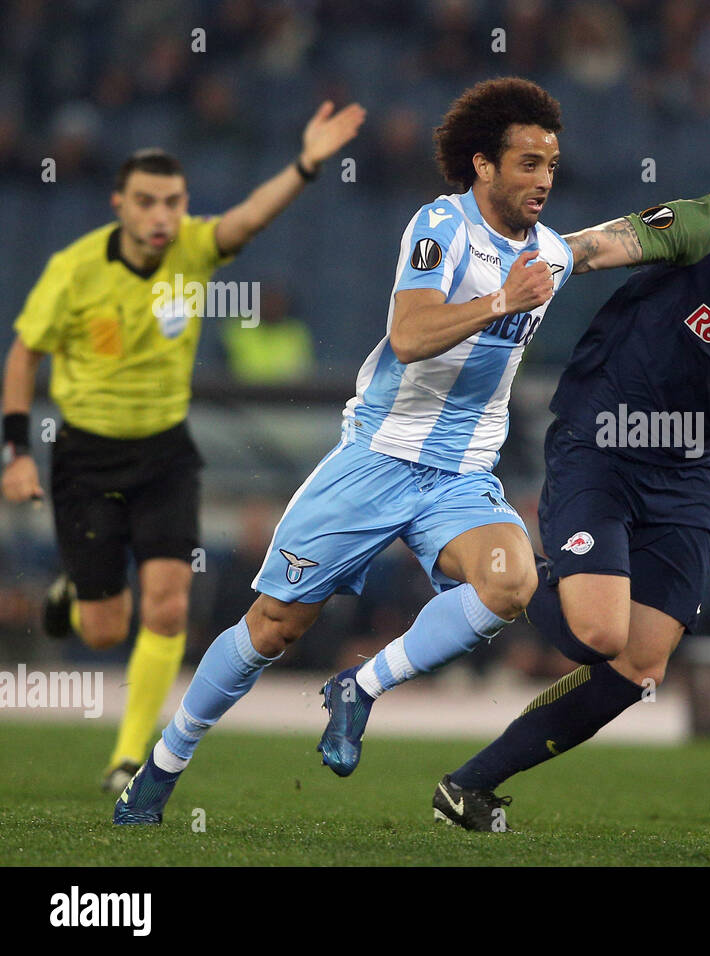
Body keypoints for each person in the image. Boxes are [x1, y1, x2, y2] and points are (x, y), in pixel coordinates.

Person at [114, 77, 569, 824]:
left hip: (460, 476)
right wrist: (500, 302)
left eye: (551, 164)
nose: (544, 178)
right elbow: (409, 336)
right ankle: (160, 770)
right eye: (527, 163)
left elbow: (612, 241)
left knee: (511, 583)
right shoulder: (440, 227)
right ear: (483, 165)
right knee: (273, 628)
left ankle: (359, 687)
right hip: (377, 458)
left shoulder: (550, 252)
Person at [419, 99, 710, 830]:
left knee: (639, 666)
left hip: (686, 471)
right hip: (604, 442)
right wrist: (523, 274)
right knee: (598, 633)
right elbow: (592, 248)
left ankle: (468, 787)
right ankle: (506, 567)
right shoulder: (707, 221)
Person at [1, 102, 365, 793]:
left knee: (167, 605)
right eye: (146, 202)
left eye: (172, 201)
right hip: (85, 455)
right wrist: (16, 453)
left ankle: (128, 755)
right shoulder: (76, 270)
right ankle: (78, 588)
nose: (161, 215)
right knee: (105, 630)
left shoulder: (194, 248)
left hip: (165, 454)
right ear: (120, 205)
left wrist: (307, 163)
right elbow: (24, 356)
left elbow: (250, 217)